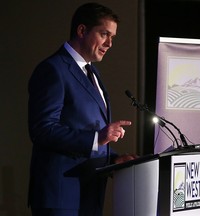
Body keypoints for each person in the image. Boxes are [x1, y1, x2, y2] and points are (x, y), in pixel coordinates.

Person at [27, 2, 137, 216]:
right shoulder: (53, 69)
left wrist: (113, 159)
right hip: (61, 196)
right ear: (81, 30)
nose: (110, 43)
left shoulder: (92, 72)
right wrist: (97, 139)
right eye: (104, 34)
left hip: (88, 192)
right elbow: (42, 129)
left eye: (113, 37)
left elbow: (85, 129)